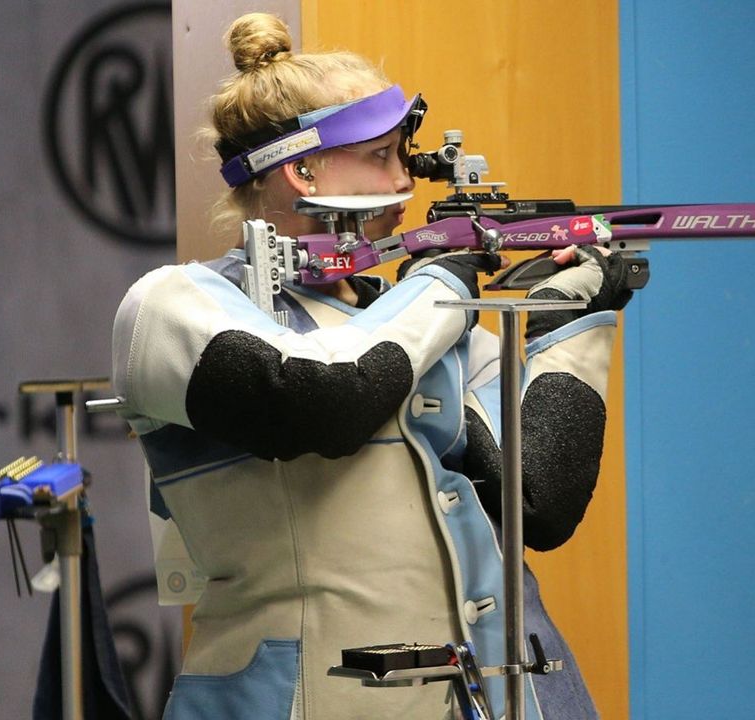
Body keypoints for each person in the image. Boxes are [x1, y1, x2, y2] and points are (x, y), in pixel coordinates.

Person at [111, 13, 634, 720]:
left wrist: (566, 325)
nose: (406, 181)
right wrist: (444, 283)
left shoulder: (417, 317)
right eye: (384, 155)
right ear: (302, 168)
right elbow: (324, 396)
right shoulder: (173, 305)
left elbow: (538, 503)